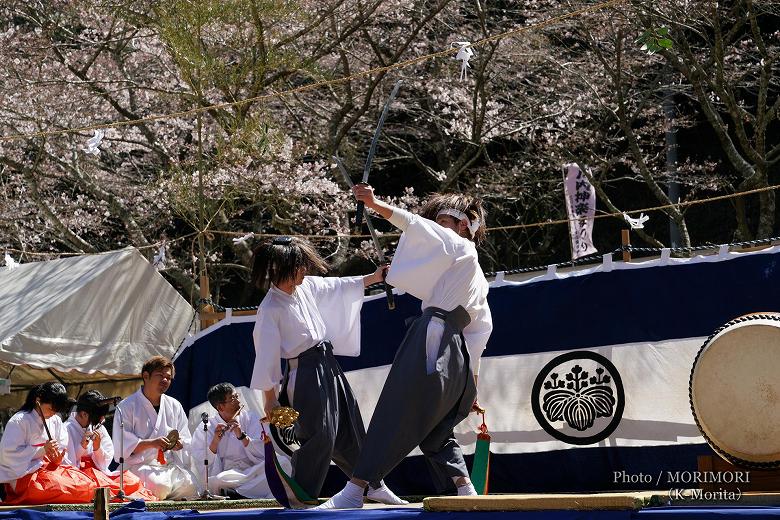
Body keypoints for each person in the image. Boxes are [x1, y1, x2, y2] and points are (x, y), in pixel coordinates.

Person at [317, 189, 493, 509]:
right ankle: (466, 489)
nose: (439, 227)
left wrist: (373, 204)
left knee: (396, 407)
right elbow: (481, 331)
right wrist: (471, 385)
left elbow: (413, 223)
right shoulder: (475, 275)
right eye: (437, 221)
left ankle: (356, 489)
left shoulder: (459, 246)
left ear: (465, 226)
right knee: (435, 423)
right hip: (457, 353)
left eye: (446, 222)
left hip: (434, 334)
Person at [250, 236, 406, 506]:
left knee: (351, 428)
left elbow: (338, 286)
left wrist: (375, 277)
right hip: (305, 371)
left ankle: (371, 484)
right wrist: (270, 399)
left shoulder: (306, 287)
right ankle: (301, 494)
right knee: (319, 434)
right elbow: (265, 355)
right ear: (283, 267)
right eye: (299, 266)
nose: (304, 271)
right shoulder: (270, 308)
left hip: (328, 364)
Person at [112, 356, 198, 500]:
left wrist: (179, 444)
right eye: (160, 375)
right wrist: (152, 443)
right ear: (146, 376)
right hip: (140, 465)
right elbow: (122, 446)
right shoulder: (126, 406)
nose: (165, 380)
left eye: (168, 378)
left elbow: (185, 437)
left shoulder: (174, 405)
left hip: (168, 465)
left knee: (191, 485)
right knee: (159, 486)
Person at [0, 382, 97, 504]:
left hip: (50, 470)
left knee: (85, 484)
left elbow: (62, 448)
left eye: (55, 411)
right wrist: (42, 450)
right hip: (24, 476)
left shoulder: (55, 420)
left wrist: (57, 458)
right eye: (50, 409)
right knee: (62, 488)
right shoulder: (19, 420)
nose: (52, 414)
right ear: (38, 401)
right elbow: (7, 455)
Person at [191, 383, 291, 499]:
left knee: (283, 463)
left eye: (237, 396)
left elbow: (264, 450)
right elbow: (202, 464)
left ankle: (238, 493)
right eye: (233, 398)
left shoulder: (250, 417)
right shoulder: (207, 427)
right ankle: (249, 492)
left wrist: (241, 435)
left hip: (253, 470)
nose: (238, 400)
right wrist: (215, 442)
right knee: (217, 481)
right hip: (229, 475)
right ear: (220, 407)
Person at [65, 390, 156, 500]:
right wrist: (82, 447)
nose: (102, 420)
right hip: (78, 477)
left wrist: (97, 448)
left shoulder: (99, 427)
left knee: (132, 481)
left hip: (100, 473)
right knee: (87, 488)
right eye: (99, 417)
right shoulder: (66, 428)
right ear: (84, 414)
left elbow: (107, 460)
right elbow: (66, 463)